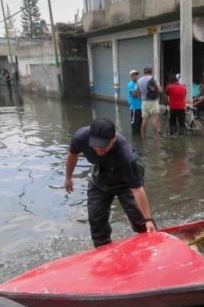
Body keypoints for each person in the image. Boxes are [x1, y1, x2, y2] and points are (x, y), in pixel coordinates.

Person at [65, 118, 157, 247]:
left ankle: (152, 242)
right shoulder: (81, 137)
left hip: (125, 181)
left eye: (103, 146)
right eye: (95, 145)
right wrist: (68, 178)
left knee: (141, 222)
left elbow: (137, 189)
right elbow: (72, 155)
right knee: (96, 222)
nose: (98, 150)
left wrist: (148, 219)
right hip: (100, 178)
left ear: (113, 139)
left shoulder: (125, 154)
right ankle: (103, 248)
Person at [137, 67, 162, 139]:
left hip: (144, 102)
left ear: (144, 72)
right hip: (153, 101)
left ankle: (143, 136)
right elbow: (159, 90)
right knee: (154, 119)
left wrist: (142, 99)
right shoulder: (153, 79)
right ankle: (155, 137)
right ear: (151, 72)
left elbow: (138, 93)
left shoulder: (139, 80)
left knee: (144, 120)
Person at [127, 70, 142, 135]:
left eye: (136, 75)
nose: (136, 76)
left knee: (140, 122)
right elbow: (134, 95)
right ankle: (135, 137)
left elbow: (140, 93)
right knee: (134, 122)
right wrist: (140, 93)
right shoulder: (131, 84)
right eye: (134, 75)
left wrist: (138, 92)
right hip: (134, 107)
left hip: (141, 106)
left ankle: (138, 136)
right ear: (131, 76)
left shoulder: (138, 83)